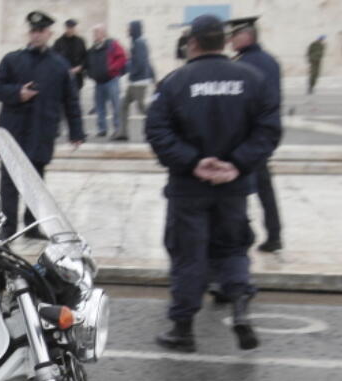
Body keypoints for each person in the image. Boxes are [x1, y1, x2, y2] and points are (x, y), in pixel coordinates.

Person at [144, 13, 281, 353]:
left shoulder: (175, 82)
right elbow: (268, 131)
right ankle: (239, 310)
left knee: (189, 255)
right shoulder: (253, 79)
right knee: (233, 247)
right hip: (233, 185)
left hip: (189, 187)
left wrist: (194, 162)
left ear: (192, 43)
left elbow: (157, 131)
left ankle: (183, 329)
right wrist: (236, 164)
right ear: (223, 41)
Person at [0, 10, 85, 240]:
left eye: (41, 31)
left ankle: (32, 226)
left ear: (49, 33)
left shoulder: (60, 66)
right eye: (33, 31)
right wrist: (17, 93)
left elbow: (71, 100)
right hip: (14, 132)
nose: (37, 35)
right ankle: (8, 227)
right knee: (9, 183)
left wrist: (76, 131)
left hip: (42, 131)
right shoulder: (12, 60)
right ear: (28, 33)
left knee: (36, 182)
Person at [229, 17, 283, 252]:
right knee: (265, 188)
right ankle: (274, 234)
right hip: (265, 135)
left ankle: (246, 234)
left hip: (246, 137)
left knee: (237, 188)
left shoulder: (242, 64)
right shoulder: (271, 61)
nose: (231, 40)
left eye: (234, 35)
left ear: (246, 37)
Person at [86, 23, 127, 139]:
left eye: (97, 32)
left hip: (112, 80)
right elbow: (88, 63)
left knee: (115, 105)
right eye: (94, 33)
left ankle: (118, 128)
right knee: (99, 107)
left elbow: (122, 57)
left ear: (104, 33)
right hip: (98, 81)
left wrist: (112, 68)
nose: (94, 35)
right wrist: (91, 74)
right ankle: (102, 129)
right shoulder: (92, 48)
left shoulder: (112, 44)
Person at [121, 20, 154, 141]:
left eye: (129, 28)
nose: (127, 30)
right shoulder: (137, 42)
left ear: (134, 29)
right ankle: (122, 132)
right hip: (136, 81)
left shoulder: (139, 43)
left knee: (142, 108)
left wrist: (131, 72)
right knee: (123, 105)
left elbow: (140, 63)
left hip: (138, 82)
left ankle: (153, 130)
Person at [52, 19, 87, 98]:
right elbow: (54, 60)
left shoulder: (80, 41)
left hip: (77, 79)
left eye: (73, 27)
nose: (71, 29)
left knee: (75, 100)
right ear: (66, 28)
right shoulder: (58, 42)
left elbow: (85, 57)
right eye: (69, 27)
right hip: (62, 78)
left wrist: (80, 67)